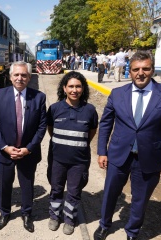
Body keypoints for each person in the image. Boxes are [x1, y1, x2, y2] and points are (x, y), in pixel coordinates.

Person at [94, 51, 161, 240]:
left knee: (140, 199)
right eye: (136, 69)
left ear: (152, 69)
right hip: (118, 155)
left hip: (150, 158)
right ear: (130, 70)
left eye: (146, 68)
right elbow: (106, 124)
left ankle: (132, 232)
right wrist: (102, 151)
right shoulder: (117, 94)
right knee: (110, 193)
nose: (140, 73)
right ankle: (104, 224)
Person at [0, 61, 47, 233]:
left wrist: (28, 148)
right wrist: (4, 147)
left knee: (27, 184)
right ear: (10, 76)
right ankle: (5, 212)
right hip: (5, 152)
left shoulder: (39, 97)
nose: (20, 78)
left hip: (27, 152)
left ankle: (27, 213)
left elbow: (42, 126)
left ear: (29, 77)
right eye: (16, 75)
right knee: (5, 183)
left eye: (24, 75)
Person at [46, 71, 98, 235]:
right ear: (64, 88)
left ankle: (69, 219)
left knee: (74, 192)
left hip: (79, 161)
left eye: (78, 86)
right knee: (56, 189)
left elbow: (91, 132)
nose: (74, 90)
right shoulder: (54, 108)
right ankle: (54, 216)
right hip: (57, 160)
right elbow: (50, 130)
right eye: (71, 86)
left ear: (83, 88)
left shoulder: (89, 110)